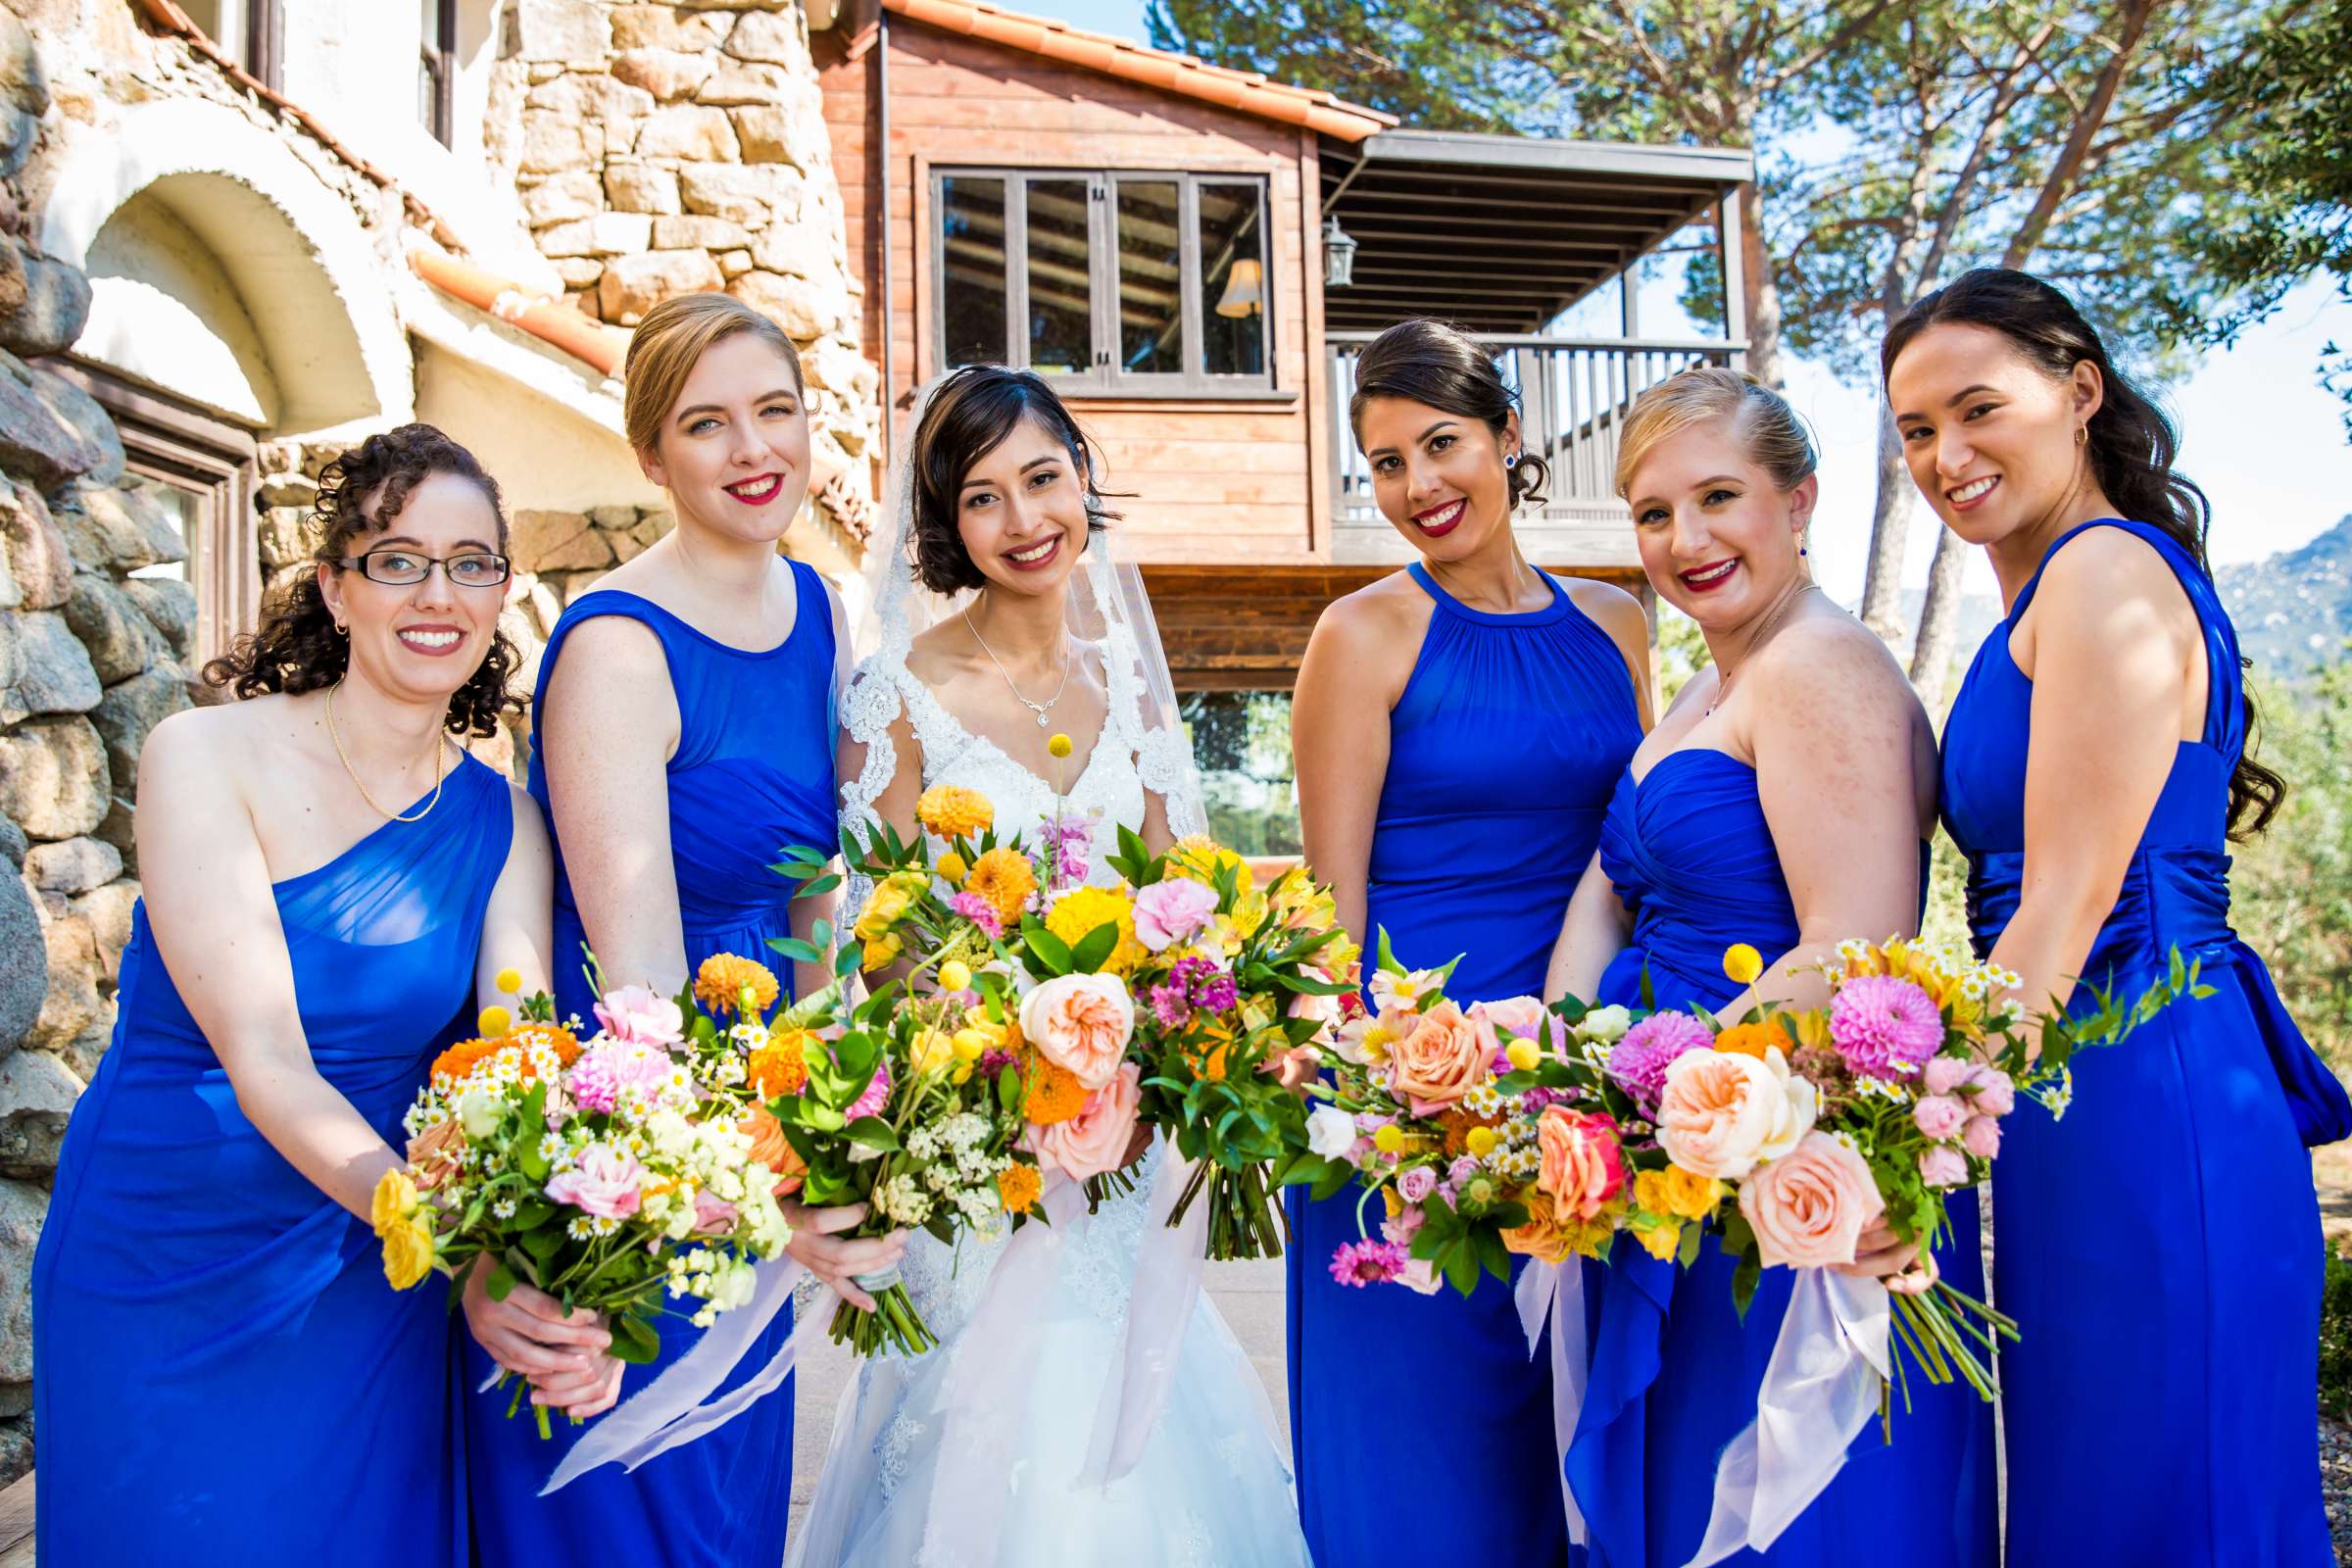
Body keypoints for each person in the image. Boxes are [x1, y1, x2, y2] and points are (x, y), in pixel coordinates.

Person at [31, 424, 606, 1566]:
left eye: (472, 562)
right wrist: (457, 1244)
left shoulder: (505, 823)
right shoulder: (204, 755)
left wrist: (547, 1270)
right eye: (398, 560)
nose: (437, 593)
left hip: (365, 1266)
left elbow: (517, 1067)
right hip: (167, 1246)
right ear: (339, 589)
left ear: (502, 591)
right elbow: (266, 1058)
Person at [797, 364, 1309, 1566]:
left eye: (1043, 478)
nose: (1024, 521)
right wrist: (1019, 1071)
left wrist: (1169, 1055)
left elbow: (1189, 906)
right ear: (945, 521)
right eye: (983, 497)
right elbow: (887, 942)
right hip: (988, 1150)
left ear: (1084, 477)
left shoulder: (1129, 674)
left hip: (1132, 1144)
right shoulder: (898, 694)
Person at [1886, 267, 2344, 1566]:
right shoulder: (2047, 596)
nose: (1945, 455)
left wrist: (1915, 1154)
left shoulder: (2101, 574)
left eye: (1978, 410)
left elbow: (2067, 903)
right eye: (1917, 430)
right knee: (2103, 1496)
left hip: (2150, 1090)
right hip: (2079, 1098)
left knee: (2170, 1495)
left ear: (2079, 390)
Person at [465, 294, 898, 1565]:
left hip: (771, 1092)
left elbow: (820, 896)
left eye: (776, 411)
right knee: (644, 1498)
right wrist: (752, 1186)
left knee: (733, 1488)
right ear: (651, 454)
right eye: (707, 424)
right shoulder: (615, 647)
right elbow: (638, 980)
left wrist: (849, 1109)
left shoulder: (822, 611)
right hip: (644, 1131)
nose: (754, 449)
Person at [1544, 367, 1993, 1566]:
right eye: (1651, 512)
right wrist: (1560, 1072)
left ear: (1799, 502)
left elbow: (1850, 950)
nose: (1683, 540)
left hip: (1770, 1150)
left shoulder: (1821, 668)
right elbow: (1604, 894)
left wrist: (1671, 1104)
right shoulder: (1707, 681)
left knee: (1774, 1507)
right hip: (1668, 1145)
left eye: (1719, 498)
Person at [1287, 319, 1652, 1565]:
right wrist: (1384, 1103)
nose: (1417, 486)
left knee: (1565, 1447)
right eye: (1384, 463)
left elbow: (1639, 851)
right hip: (1410, 1095)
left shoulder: (1619, 623)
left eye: (1440, 444)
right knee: (1422, 1455)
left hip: (1581, 1087)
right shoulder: (1364, 634)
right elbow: (1329, 915)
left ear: (1509, 437)